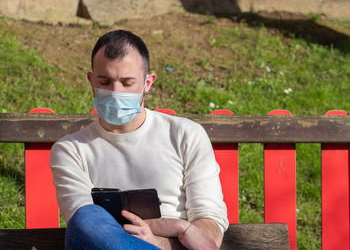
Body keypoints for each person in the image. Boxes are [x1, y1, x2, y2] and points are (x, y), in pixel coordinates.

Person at [50, 30, 229, 250]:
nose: (115, 92)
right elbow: (89, 232)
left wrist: (158, 242)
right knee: (88, 217)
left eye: (127, 83)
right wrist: (178, 227)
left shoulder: (185, 134)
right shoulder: (71, 150)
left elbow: (211, 228)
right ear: (91, 80)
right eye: (104, 81)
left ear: (148, 83)